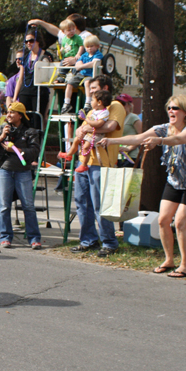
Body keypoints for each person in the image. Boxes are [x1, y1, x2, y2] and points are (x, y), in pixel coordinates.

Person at [100, 95, 186, 277]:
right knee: (163, 220)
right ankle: (169, 260)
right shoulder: (164, 128)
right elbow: (138, 137)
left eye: (175, 108)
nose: (171, 111)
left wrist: (159, 141)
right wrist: (112, 141)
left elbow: (178, 139)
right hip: (174, 181)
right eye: (169, 108)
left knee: (180, 222)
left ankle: (185, 266)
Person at [69, 75, 125, 256]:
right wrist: (82, 130)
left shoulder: (115, 106)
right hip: (84, 160)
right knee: (82, 202)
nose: (91, 92)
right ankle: (88, 240)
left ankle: (109, 242)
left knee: (100, 204)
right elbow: (82, 128)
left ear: (105, 88)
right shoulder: (94, 109)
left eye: (94, 89)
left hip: (101, 162)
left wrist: (87, 128)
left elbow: (110, 126)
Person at [0, 102, 42, 249]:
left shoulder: (30, 132)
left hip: (23, 172)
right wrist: (1, 137)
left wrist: (17, 150)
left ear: (20, 115)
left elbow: (35, 152)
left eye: (12, 112)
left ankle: (34, 238)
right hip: (4, 170)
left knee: (28, 206)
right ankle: (5, 236)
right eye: (8, 112)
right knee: (4, 205)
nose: (8, 115)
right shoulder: (2, 128)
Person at [28, 17, 84, 114]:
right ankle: (61, 77)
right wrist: (60, 51)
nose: (72, 31)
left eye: (73, 29)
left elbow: (82, 46)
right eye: (69, 30)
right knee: (62, 65)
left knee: (75, 68)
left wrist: (78, 55)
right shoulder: (65, 38)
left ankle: (75, 76)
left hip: (75, 59)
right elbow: (63, 47)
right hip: (66, 58)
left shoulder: (78, 37)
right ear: (64, 31)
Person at [57, 90, 112, 173]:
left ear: (99, 102)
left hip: (97, 134)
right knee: (76, 139)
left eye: (92, 100)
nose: (91, 102)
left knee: (86, 147)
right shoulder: (94, 111)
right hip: (90, 132)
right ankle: (69, 154)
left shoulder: (104, 112)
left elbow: (98, 124)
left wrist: (86, 119)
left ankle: (84, 165)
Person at [13, 28, 53, 114]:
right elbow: (20, 79)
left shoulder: (46, 55)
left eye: (31, 41)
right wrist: (15, 98)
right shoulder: (26, 57)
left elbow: (49, 74)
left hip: (39, 92)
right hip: (25, 91)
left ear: (38, 40)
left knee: (37, 118)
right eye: (26, 41)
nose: (28, 43)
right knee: (24, 117)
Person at [116, 93, 142, 167]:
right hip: (117, 156)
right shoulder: (116, 118)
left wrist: (129, 148)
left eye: (123, 103)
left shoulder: (133, 117)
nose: (120, 106)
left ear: (129, 105)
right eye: (118, 103)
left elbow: (141, 136)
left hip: (131, 156)